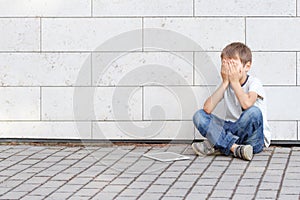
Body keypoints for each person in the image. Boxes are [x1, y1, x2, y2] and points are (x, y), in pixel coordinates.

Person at [192, 42, 271, 161]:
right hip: (231, 129)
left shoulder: (254, 83)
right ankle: (234, 148)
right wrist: (225, 83)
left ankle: (219, 144)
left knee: (254, 112)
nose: (229, 69)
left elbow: (247, 104)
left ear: (247, 66)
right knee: (199, 116)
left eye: (233, 64)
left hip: (253, 139)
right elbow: (207, 109)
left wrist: (234, 82)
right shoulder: (225, 83)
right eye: (225, 64)